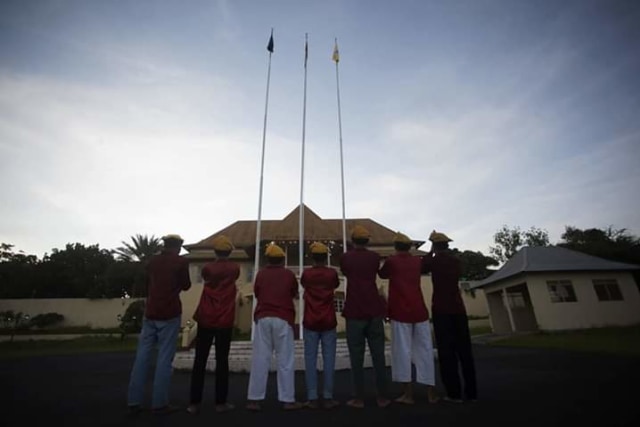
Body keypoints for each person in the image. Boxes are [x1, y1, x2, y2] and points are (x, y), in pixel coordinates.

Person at [127, 234, 191, 415]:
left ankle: (134, 400)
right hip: (169, 313)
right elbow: (186, 285)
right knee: (164, 358)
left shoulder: (152, 262)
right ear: (178, 246)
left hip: (151, 313)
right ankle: (159, 402)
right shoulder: (180, 262)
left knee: (142, 356)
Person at [378, 232, 439, 405]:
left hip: (400, 311)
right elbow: (426, 262)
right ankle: (431, 393)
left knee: (401, 352)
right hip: (419, 311)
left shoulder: (391, 261)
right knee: (425, 350)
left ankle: (408, 394)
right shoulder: (416, 262)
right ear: (410, 247)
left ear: (396, 247)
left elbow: (382, 274)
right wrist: (432, 248)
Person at [421, 230, 477, 403]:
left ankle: (454, 393)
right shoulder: (456, 261)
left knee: (447, 353)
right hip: (459, 309)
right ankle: (472, 393)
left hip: (441, 309)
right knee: (465, 352)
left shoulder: (434, 260)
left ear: (435, 246)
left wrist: (430, 250)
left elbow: (423, 267)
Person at [187, 235, 240, 414]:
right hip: (224, 319)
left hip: (206, 318)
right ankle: (220, 402)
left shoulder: (208, 268)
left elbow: (205, 276)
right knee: (222, 360)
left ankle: (194, 403)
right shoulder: (235, 268)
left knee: (200, 360)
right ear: (230, 252)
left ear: (215, 251)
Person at [246, 243, 302, 411]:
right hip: (283, 318)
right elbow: (294, 293)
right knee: (285, 360)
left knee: (260, 359)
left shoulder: (261, 274)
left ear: (267, 259)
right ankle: (287, 399)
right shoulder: (289, 275)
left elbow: (257, 293)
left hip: (263, 317)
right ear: (282, 259)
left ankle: (254, 399)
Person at [339, 225, 390, 409]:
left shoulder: (346, 257)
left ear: (353, 241)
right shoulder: (375, 258)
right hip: (374, 309)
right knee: (378, 355)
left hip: (354, 309)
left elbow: (346, 272)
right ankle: (382, 397)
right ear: (368, 240)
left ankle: (358, 398)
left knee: (356, 356)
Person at [301, 242, 341, 409]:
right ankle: (328, 396)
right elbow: (336, 285)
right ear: (326, 257)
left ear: (312, 258)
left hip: (311, 320)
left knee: (310, 359)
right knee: (329, 359)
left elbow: (303, 284)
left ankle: (312, 396)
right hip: (328, 320)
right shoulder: (332, 274)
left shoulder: (307, 274)